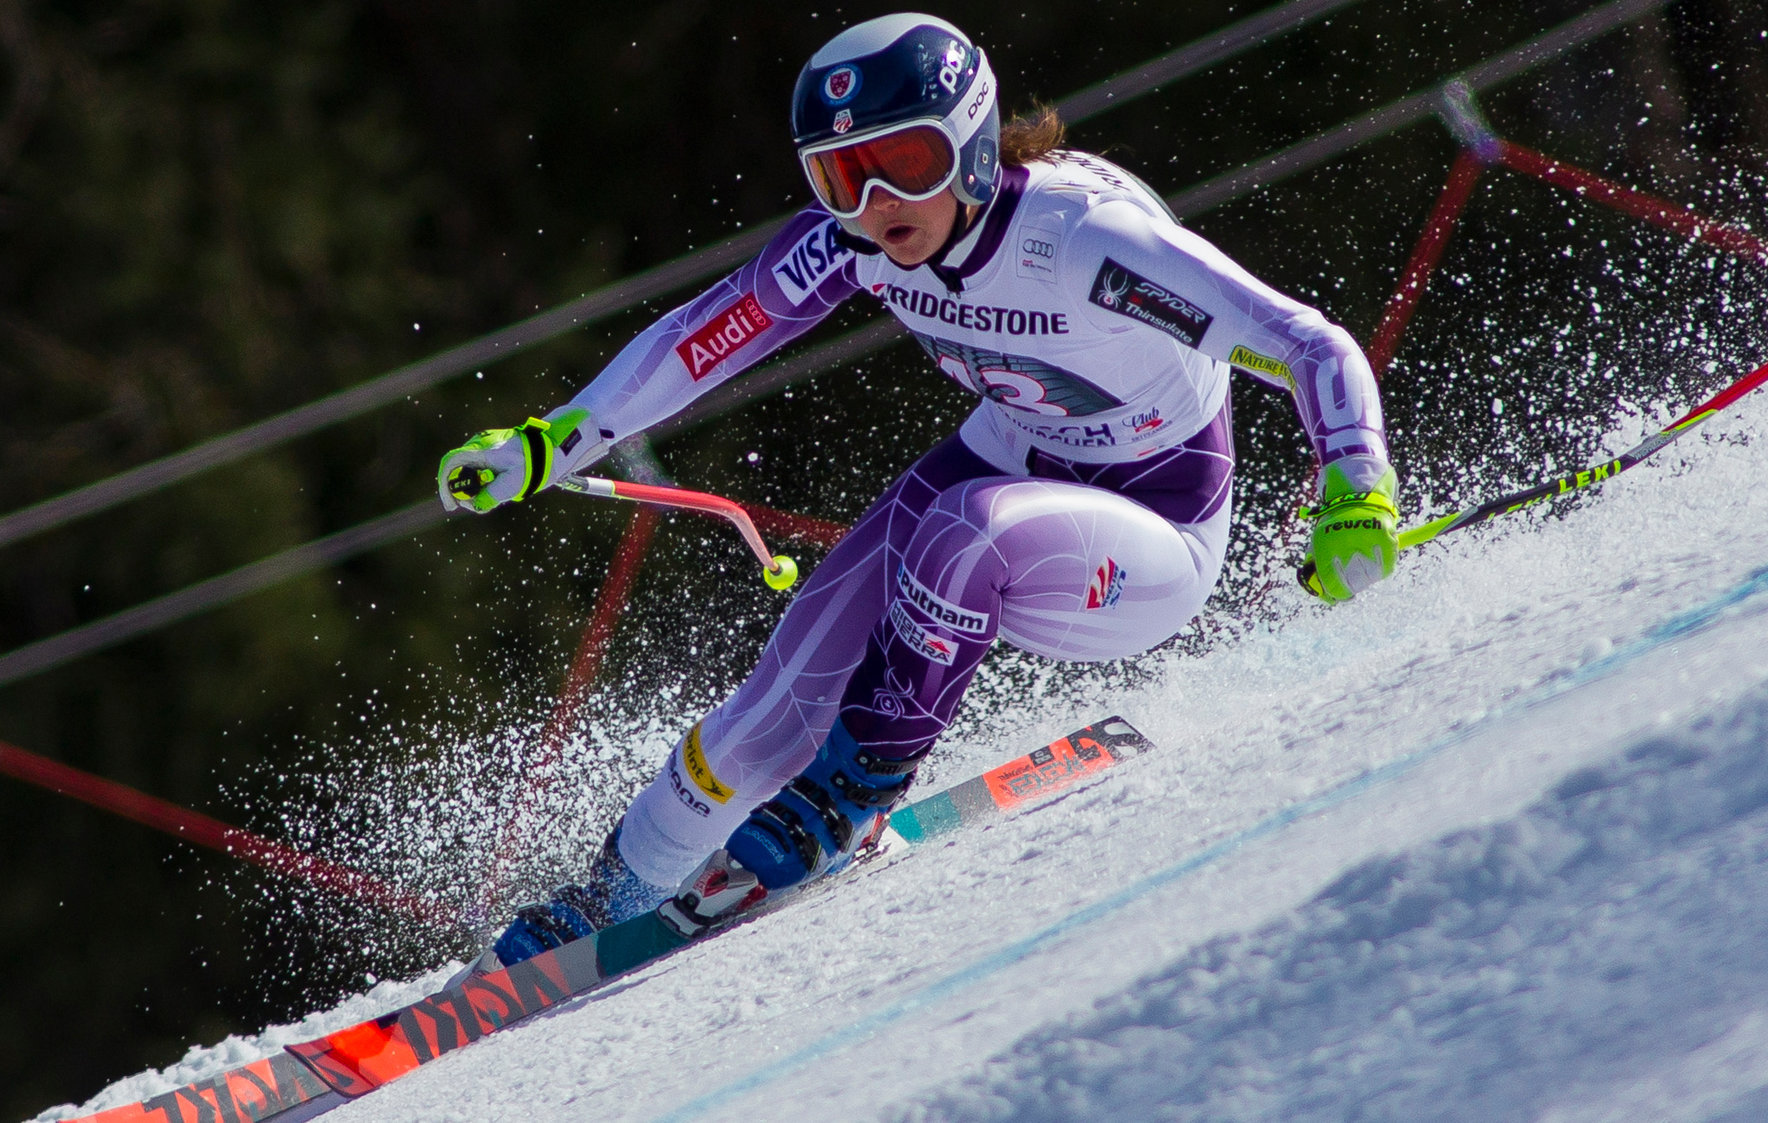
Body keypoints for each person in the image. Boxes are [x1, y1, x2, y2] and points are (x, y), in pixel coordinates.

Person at [438, 13, 1395, 967]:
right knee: (769, 709)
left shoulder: (1083, 241)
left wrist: (1355, 487)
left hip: (1155, 528)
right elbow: (702, 337)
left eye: (906, 161)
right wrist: (549, 441)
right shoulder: (856, 242)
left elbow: (1311, 345)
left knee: (961, 530)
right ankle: (611, 897)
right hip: (1009, 461)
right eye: (840, 176)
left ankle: (851, 796)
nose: (878, 200)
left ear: (974, 149)